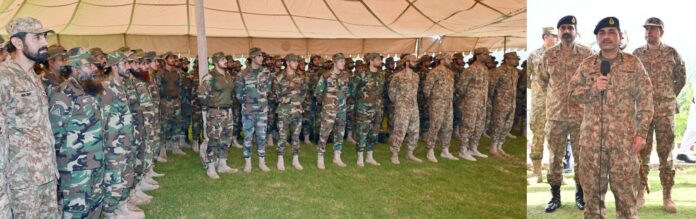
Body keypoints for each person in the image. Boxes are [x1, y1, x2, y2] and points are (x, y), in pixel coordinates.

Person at [571, 17, 653, 219]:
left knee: (625, 195)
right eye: (602, 33)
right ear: (597, 38)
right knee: (592, 199)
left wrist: (642, 134)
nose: (606, 37)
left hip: (623, 141)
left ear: (619, 36)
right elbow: (572, 92)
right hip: (591, 140)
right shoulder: (587, 64)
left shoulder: (633, 63)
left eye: (611, 32)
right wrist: (592, 88)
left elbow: (646, 99)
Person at [0, 17, 60, 218]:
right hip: (21, 182)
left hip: (46, 173)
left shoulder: (33, 77)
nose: (45, 43)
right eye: (37, 38)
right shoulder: (4, 78)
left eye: (44, 37)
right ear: (17, 43)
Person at [539, 15, 594, 212]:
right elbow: (543, 80)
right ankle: (555, 197)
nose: (566, 31)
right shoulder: (548, 55)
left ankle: (581, 195)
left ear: (576, 30)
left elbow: (595, 81)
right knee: (555, 157)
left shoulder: (588, 54)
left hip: (581, 115)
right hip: (556, 115)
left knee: (582, 157)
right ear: (558, 31)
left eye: (570, 27)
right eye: (562, 28)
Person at [632, 17, 686, 212]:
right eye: (647, 29)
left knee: (666, 155)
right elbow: (630, 81)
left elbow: (681, 78)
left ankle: (667, 196)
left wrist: (668, 96)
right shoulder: (637, 54)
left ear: (661, 32)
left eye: (653, 30)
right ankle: (639, 193)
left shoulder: (672, 53)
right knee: (640, 154)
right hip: (642, 112)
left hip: (665, 111)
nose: (649, 33)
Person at [48, 48, 105, 218]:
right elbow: (55, 133)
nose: (94, 69)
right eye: (88, 65)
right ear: (74, 68)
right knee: (76, 209)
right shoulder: (63, 94)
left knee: (94, 204)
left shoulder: (89, 90)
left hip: (94, 160)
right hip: (75, 166)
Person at [199, 52, 239, 179]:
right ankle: (211, 167)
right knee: (214, 139)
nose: (225, 61)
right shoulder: (211, 76)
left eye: (225, 59)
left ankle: (222, 164)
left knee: (226, 139)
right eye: (222, 60)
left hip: (228, 111)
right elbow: (201, 95)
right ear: (216, 62)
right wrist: (212, 105)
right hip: (215, 112)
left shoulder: (227, 75)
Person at [527, 26, 558, 183]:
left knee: (556, 139)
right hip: (539, 104)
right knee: (538, 136)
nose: (557, 38)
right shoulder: (534, 55)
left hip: (557, 103)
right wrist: (538, 92)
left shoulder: (561, 55)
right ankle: (537, 173)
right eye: (554, 35)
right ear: (546, 36)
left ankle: (555, 174)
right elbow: (527, 79)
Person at [235, 47, 273, 173]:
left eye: (262, 56)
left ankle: (262, 162)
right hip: (248, 111)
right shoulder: (243, 74)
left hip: (262, 110)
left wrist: (260, 101)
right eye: (259, 56)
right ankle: (248, 162)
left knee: (261, 136)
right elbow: (238, 94)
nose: (261, 58)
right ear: (252, 57)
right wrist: (248, 104)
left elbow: (268, 90)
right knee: (248, 136)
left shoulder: (266, 72)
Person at [314, 53, 351, 169]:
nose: (343, 63)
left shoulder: (345, 75)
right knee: (324, 133)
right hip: (329, 110)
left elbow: (348, 92)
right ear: (334, 62)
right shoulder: (326, 76)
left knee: (340, 133)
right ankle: (320, 157)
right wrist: (326, 103)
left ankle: (337, 157)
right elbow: (318, 93)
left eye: (344, 61)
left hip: (342, 109)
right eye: (341, 61)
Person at [456, 47, 492, 161]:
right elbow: (461, 87)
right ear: (478, 55)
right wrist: (469, 97)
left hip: (482, 102)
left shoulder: (485, 69)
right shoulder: (470, 70)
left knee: (479, 126)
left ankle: (473, 148)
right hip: (471, 102)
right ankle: (463, 150)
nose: (487, 56)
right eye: (485, 54)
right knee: (468, 126)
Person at [273, 54, 306, 170]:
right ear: (287, 62)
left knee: (296, 136)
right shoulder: (279, 77)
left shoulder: (300, 76)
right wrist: (286, 102)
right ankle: (280, 159)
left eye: (297, 61)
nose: (297, 63)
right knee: (282, 136)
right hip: (284, 111)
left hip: (297, 111)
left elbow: (303, 92)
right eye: (294, 61)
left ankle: (295, 159)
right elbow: (276, 94)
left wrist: (297, 102)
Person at [423, 53, 459, 162]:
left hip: (448, 103)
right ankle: (430, 150)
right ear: (442, 60)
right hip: (437, 103)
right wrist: (432, 101)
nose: (451, 61)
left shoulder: (450, 73)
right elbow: (427, 89)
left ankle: (445, 150)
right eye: (448, 59)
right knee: (435, 126)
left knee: (448, 127)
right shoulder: (434, 72)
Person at [389, 54, 423, 164]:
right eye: (413, 62)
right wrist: (399, 103)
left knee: (414, 131)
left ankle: (410, 153)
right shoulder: (398, 76)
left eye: (416, 62)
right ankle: (394, 154)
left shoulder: (416, 76)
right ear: (407, 63)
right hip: (402, 107)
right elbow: (391, 93)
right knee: (400, 130)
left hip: (414, 106)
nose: (416, 63)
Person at [353, 53, 386, 166]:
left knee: (374, 133)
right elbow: (353, 90)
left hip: (377, 108)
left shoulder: (381, 74)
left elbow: (382, 91)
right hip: (364, 108)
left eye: (380, 60)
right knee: (362, 132)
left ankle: (369, 156)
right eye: (378, 59)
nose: (380, 61)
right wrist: (360, 103)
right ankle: (360, 157)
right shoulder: (361, 73)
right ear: (371, 61)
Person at [156, 52, 187, 156]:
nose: (173, 60)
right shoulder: (160, 73)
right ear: (165, 60)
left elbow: (181, 86)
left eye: (174, 58)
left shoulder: (177, 72)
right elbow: (157, 88)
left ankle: (175, 147)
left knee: (177, 123)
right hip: (165, 101)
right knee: (164, 125)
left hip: (176, 100)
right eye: (170, 58)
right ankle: (163, 148)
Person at [489, 52, 520, 157]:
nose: (516, 61)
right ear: (507, 59)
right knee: (498, 124)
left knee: (507, 125)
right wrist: (495, 99)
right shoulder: (498, 71)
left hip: (511, 103)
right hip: (500, 102)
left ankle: (500, 146)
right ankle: (493, 147)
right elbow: (491, 87)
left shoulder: (515, 72)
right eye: (514, 59)